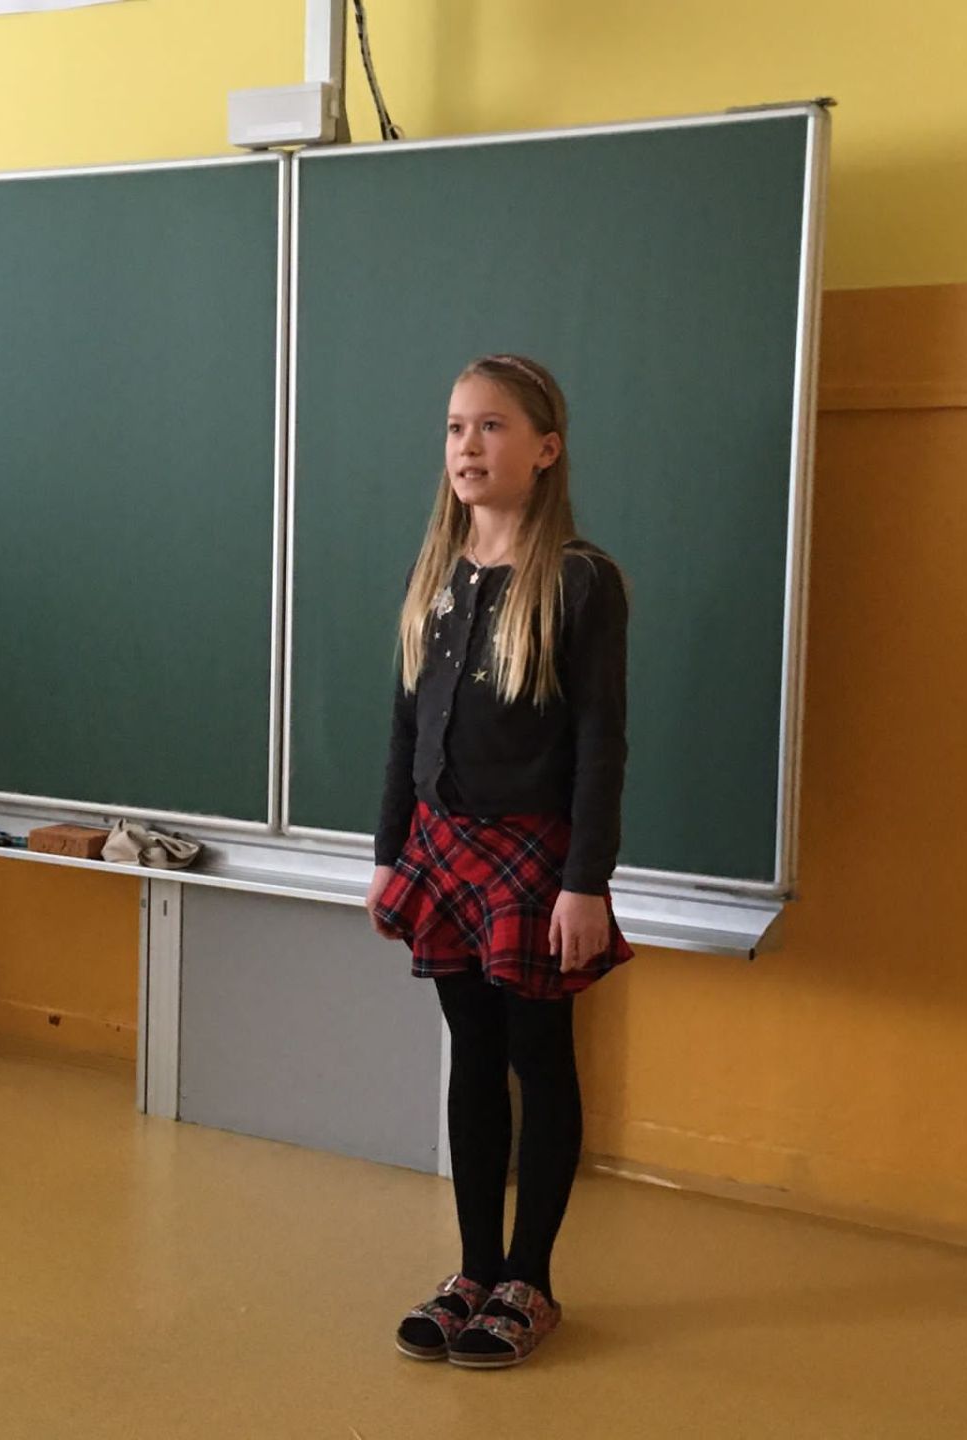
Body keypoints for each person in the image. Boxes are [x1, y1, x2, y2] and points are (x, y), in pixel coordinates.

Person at [368, 352, 632, 1370]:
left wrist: (586, 882)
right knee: (471, 1056)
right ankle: (474, 1270)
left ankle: (531, 1279)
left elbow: (602, 742)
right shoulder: (434, 574)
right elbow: (405, 728)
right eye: (454, 428)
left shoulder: (579, 581)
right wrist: (389, 853)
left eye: (491, 427)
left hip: (534, 858)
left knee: (537, 1057)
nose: (467, 446)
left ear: (545, 448)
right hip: (441, 849)